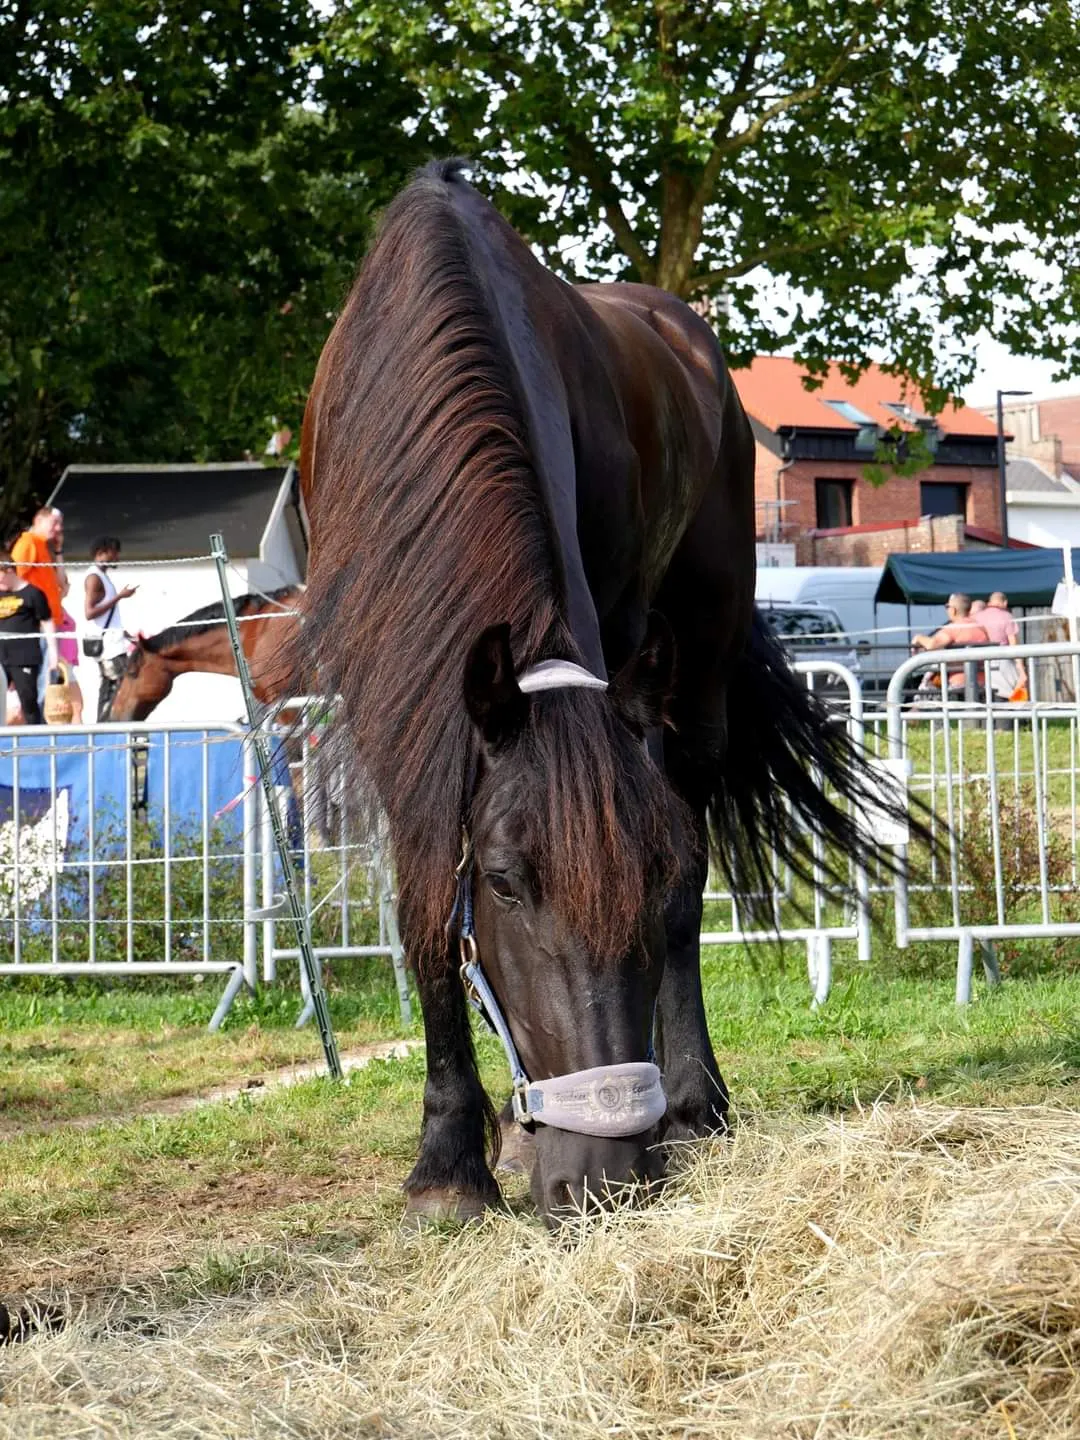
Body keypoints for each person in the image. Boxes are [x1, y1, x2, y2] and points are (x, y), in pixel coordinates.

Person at [0, 550, 58, 725]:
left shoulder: (33, 594)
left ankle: (37, 739)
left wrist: (53, 655)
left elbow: (48, 623)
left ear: (9, 571)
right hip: (1, 657)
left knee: (29, 701)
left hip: (24, 657)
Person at [84, 536, 137, 720]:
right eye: (114, 553)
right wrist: (120, 596)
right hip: (109, 648)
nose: (117, 557)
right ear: (102, 552)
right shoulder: (94, 578)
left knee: (113, 688)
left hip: (114, 642)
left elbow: (108, 616)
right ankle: (106, 724)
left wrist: (127, 635)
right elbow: (89, 613)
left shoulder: (102, 577)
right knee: (116, 688)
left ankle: (106, 724)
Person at [911, 593, 989, 696]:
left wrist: (918, 638)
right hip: (982, 684)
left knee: (924, 694)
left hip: (959, 685)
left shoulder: (953, 628)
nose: (947, 610)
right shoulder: (981, 628)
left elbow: (932, 644)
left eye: (947, 606)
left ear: (953, 610)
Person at [980, 589, 1027, 699]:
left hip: (980, 664)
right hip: (1002, 662)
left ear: (989, 603)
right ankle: (1018, 714)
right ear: (1005, 603)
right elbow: (1013, 644)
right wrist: (1021, 669)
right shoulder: (1007, 617)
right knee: (1015, 692)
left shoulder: (977, 617)